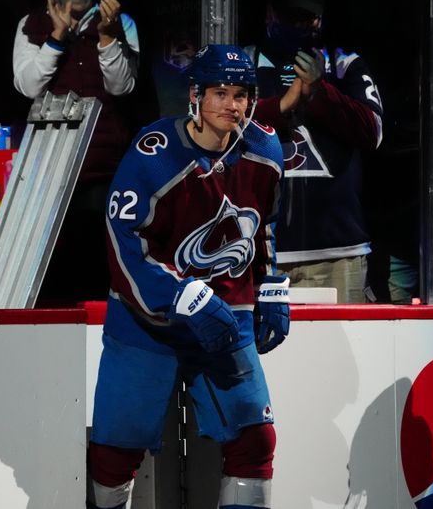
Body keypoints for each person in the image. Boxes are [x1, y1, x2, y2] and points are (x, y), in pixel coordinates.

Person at [87, 44, 290, 509]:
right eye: (220, 92)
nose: (231, 105)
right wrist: (184, 296)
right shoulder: (154, 153)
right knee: (114, 452)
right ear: (195, 95)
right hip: (147, 323)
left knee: (255, 443)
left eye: (241, 94)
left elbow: (268, 225)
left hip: (225, 320)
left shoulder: (265, 149)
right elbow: (123, 245)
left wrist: (272, 288)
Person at [247, 0, 384, 303]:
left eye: (307, 18)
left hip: (336, 251)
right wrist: (284, 105)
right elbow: (224, 132)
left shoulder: (344, 64)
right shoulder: (244, 62)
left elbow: (373, 131)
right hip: (260, 251)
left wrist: (320, 91)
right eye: (291, 16)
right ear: (270, 14)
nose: (299, 26)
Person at [12, 0, 139, 301]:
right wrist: (56, 37)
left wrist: (108, 36)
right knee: (54, 269)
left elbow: (123, 86)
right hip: (49, 172)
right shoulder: (31, 25)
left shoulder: (122, 23)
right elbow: (27, 86)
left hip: (103, 169)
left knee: (97, 265)